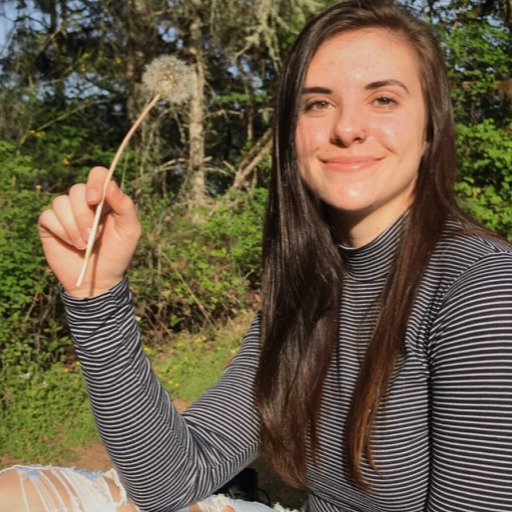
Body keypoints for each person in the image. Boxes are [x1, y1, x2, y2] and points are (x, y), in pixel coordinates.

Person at [1, 0, 512, 510]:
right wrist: (97, 296)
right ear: (291, 134)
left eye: (383, 99)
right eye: (318, 103)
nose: (347, 128)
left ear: (430, 129)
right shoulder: (304, 287)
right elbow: (171, 482)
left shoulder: (479, 284)